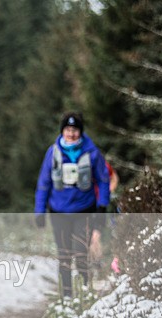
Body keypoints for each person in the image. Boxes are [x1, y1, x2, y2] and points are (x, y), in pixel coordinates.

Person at [35, 111, 110, 298]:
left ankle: (85, 291)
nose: (71, 134)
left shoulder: (92, 153)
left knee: (81, 253)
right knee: (64, 255)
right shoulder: (52, 153)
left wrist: (102, 205)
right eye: (68, 129)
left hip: (84, 210)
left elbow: (103, 180)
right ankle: (67, 295)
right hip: (59, 211)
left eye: (75, 130)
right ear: (62, 131)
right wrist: (39, 211)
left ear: (80, 132)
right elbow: (44, 183)